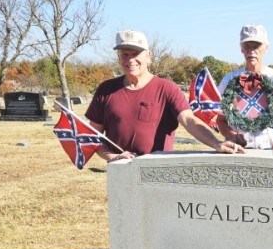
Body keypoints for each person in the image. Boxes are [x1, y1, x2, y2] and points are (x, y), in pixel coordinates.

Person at [85, 30, 243, 162]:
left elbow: (189, 120)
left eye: (135, 53)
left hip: (158, 171)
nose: (130, 59)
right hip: (120, 173)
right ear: (118, 57)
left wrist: (216, 143)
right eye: (125, 54)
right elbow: (93, 135)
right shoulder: (105, 90)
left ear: (148, 56)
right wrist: (112, 157)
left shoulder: (167, 88)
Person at [216, 24, 273, 149]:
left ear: (266, 48)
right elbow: (221, 120)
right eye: (247, 46)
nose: (252, 50)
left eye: (256, 46)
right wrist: (231, 135)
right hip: (238, 149)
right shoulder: (228, 80)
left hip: (271, 148)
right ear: (241, 49)